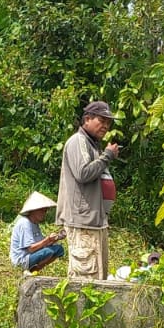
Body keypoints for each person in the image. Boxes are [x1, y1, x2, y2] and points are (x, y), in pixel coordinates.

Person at [56, 99, 120, 279]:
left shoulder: (92, 144)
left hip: (95, 222)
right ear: (87, 120)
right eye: (101, 121)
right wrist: (107, 156)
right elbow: (83, 173)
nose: (105, 126)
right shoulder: (78, 141)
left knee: (98, 278)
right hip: (82, 222)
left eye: (108, 123)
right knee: (85, 279)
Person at [9, 191, 65, 274]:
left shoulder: (35, 224)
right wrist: (47, 239)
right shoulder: (25, 223)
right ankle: (30, 270)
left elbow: (41, 245)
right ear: (33, 210)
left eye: (45, 211)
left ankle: (35, 270)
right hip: (22, 259)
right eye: (42, 211)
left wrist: (56, 238)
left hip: (31, 256)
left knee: (59, 249)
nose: (44, 214)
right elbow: (31, 249)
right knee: (48, 252)